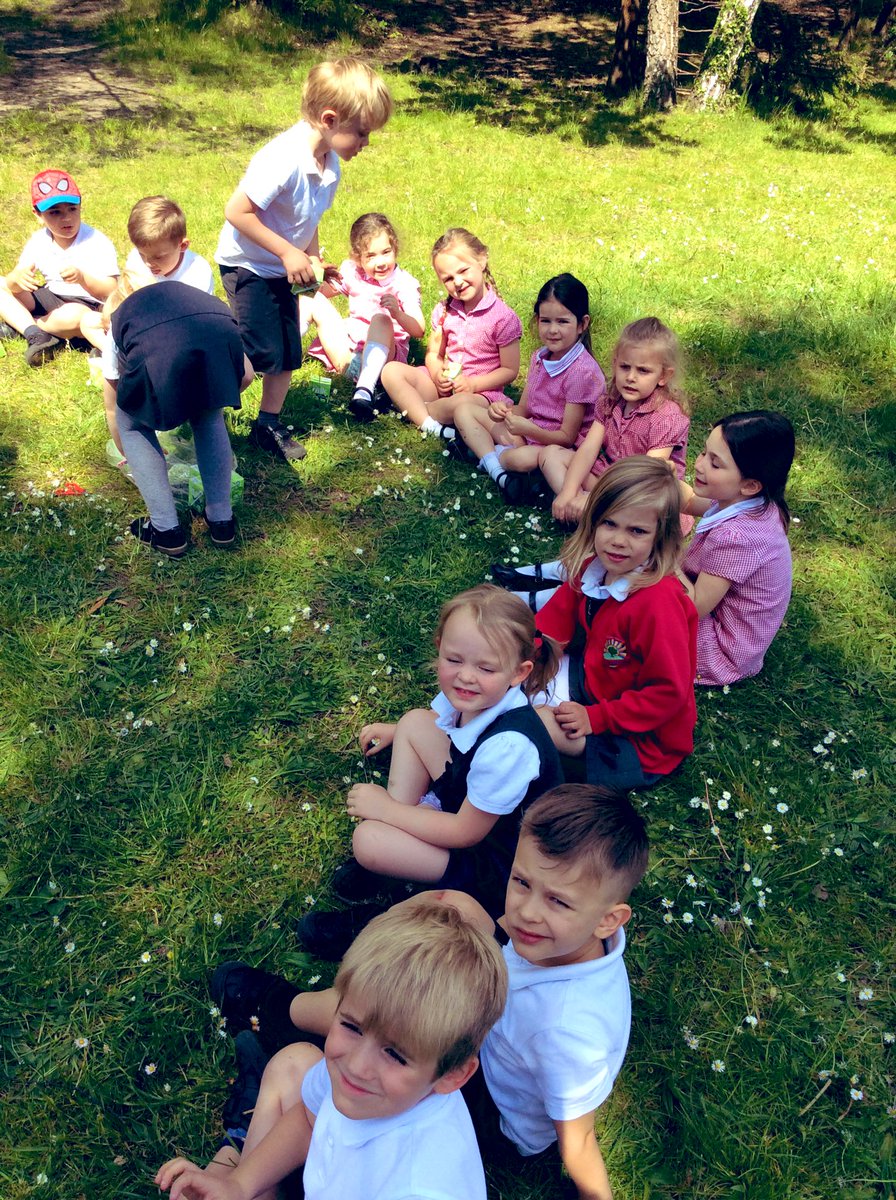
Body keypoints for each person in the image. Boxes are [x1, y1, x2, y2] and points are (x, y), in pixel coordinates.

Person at [210, 785, 647, 1200]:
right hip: (496, 1036)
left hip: (490, 1107)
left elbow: (580, 1140)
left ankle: (274, 1008)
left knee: (392, 1009)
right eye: (521, 882)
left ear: (610, 920)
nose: (526, 912)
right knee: (450, 908)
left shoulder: (570, 1032)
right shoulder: (565, 942)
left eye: (559, 902)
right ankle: (373, 941)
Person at [155, 901, 508, 1200]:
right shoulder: (369, 1084)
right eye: (351, 1027)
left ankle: (234, 1148)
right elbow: (309, 1119)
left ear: (452, 1075)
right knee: (293, 1062)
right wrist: (238, 1185)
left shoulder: (417, 1186)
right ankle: (235, 1169)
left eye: (396, 1055)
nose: (356, 1064)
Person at [296, 583, 563, 960]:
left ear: (518, 673)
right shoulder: (479, 700)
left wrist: (386, 811)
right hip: (477, 812)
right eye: (454, 660)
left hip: (497, 864)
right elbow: (439, 725)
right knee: (415, 722)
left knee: (368, 840)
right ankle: (399, 854)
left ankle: (393, 877)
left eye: (486, 668)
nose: (466, 677)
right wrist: (398, 731)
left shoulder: (510, 747)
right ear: (439, 646)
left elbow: (466, 832)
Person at [215, 58, 392, 461]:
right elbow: (237, 212)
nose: (366, 142)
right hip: (249, 265)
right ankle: (200, 409)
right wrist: (287, 252)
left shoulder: (328, 163)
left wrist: (311, 257)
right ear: (330, 119)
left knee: (286, 352)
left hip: (282, 265)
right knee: (255, 354)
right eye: (362, 132)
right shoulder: (283, 159)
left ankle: (267, 424)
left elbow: (307, 219)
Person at [533, 456, 697, 790]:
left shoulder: (658, 603)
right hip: (595, 682)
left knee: (533, 725)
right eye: (609, 523)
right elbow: (552, 625)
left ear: (660, 537)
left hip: (638, 739)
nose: (618, 540)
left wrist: (596, 718)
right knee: (503, 678)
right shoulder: (595, 567)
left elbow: (668, 692)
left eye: (637, 531)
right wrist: (522, 661)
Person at [101, 274, 254, 556]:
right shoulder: (195, 298)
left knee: (133, 424)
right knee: (209, 416)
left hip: (160, 352)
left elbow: (114, 403)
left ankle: (166, 531)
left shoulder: (117, 321)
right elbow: (247, 374)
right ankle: (222, 521)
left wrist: (127, 450)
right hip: (218, 330)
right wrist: (210, 399)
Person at [453, 273, 606, 504]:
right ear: (537, 321)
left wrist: (528, 429)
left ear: (582, 324)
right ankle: (498, 464)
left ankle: (491, 459)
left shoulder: (581, 372)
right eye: (546, 321)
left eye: (563, 321)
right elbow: (524, 408)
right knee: (464, 410)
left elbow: (566, 438)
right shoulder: (539, 357)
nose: (553, 330)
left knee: (520, 458)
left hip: (556, 449)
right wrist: (503, 411)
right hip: (530, 433)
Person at [679, 410, 795, 686]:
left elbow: (694, 608)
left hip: (720, 648)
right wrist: (659, 485)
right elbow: (692, 502)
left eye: (715, 464)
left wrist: (664, 553)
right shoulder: (749, 503)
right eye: (704, 452)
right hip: (723, 621)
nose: (700, 464)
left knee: (638, 592)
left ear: (750, 485)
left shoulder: (737, 537)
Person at [540, 316, 690, 526]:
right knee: (551, 455)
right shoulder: (610, 402)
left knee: (646, 515)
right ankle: (587, 511)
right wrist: (568, 491)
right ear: (615, 364)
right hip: (609, 478)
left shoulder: (666, 417)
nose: (631, 377)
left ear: (664, 376)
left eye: (643, 370)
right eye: (625, 367)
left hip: (645, 494)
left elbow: (649, 479)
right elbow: (588, 449)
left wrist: (592, 499)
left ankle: (595, 514)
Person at [380, 227, 522, 441]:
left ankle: (416, 409)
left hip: (480, 395)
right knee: (391, 371)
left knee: (461, 404)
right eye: (448, 278)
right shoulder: (445, 310)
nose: (457, 282)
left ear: (482, 260)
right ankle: (430, 423)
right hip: (443, 389)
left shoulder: (503, 318)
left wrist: (474, 385)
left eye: (463, 271)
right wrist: (437, 375)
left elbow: (510, 370)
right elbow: (433, 354)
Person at [303, 212, 425, 421]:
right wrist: (318, 277)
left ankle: (365, 390)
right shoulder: (353, 272)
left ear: (395, 248)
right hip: (349, 356)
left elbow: (419, 330)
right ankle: (280, 356)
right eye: (370, 256)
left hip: (384, 360)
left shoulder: (404, 284)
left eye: (386, 252)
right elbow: (324, 292)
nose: (380, 262)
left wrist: (397, 312)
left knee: (381, 319)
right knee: (312, 300)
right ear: (357, 258)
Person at [0, 168, 117, 366]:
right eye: (55, 212)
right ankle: (35, 333)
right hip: (52, 295)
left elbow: (112, 289)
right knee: (2, 284)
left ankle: (26, 326)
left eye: (72, 209)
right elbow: (14, 284)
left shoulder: (96, 241)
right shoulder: (39, 240)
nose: (66, 218)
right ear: (37, 214)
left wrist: (82, 278)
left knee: (75, 315)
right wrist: (16, 280)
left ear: (80, 206)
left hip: (86, 303)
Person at [123, 195, 216, 293]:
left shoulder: (197, 273)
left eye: (158, 257)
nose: (148, 263)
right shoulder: (135, 262)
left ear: (182, 246)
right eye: (141, 254)